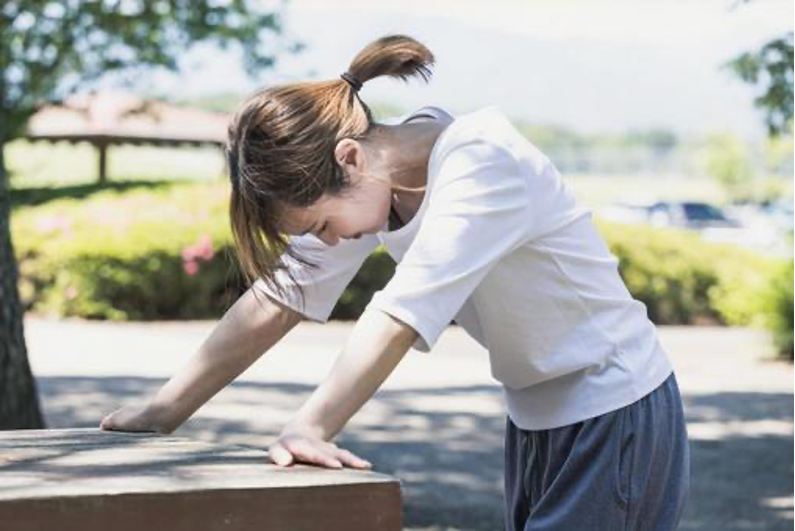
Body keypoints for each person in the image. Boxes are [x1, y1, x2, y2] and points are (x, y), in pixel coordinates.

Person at [101, 34, 690, 530]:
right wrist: (163, 409)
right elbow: (282, 295)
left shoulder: (482, 162)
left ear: (350, 158)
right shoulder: (382, 177)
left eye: (321, 226)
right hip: (537, 417)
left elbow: (401, 313)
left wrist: (310, 427)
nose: (330, 242)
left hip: (615, 405)